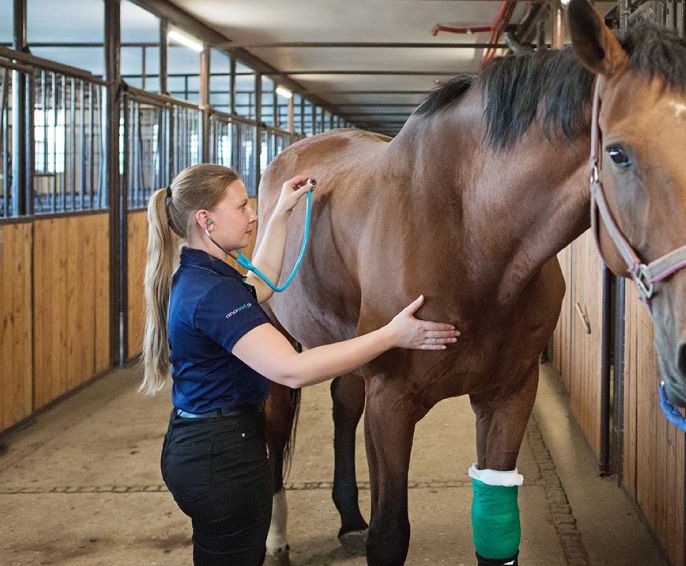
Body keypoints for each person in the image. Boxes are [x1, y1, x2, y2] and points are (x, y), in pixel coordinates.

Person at [139, 164, 460, 565]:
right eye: (242, 207)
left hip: (205, 446)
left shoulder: (202, 274)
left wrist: (281, 214)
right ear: (206, 221)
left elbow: (263, 282)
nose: (252, 214)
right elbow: (293, 369)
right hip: (220, 459)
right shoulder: (212, 294)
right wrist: (392, 336)